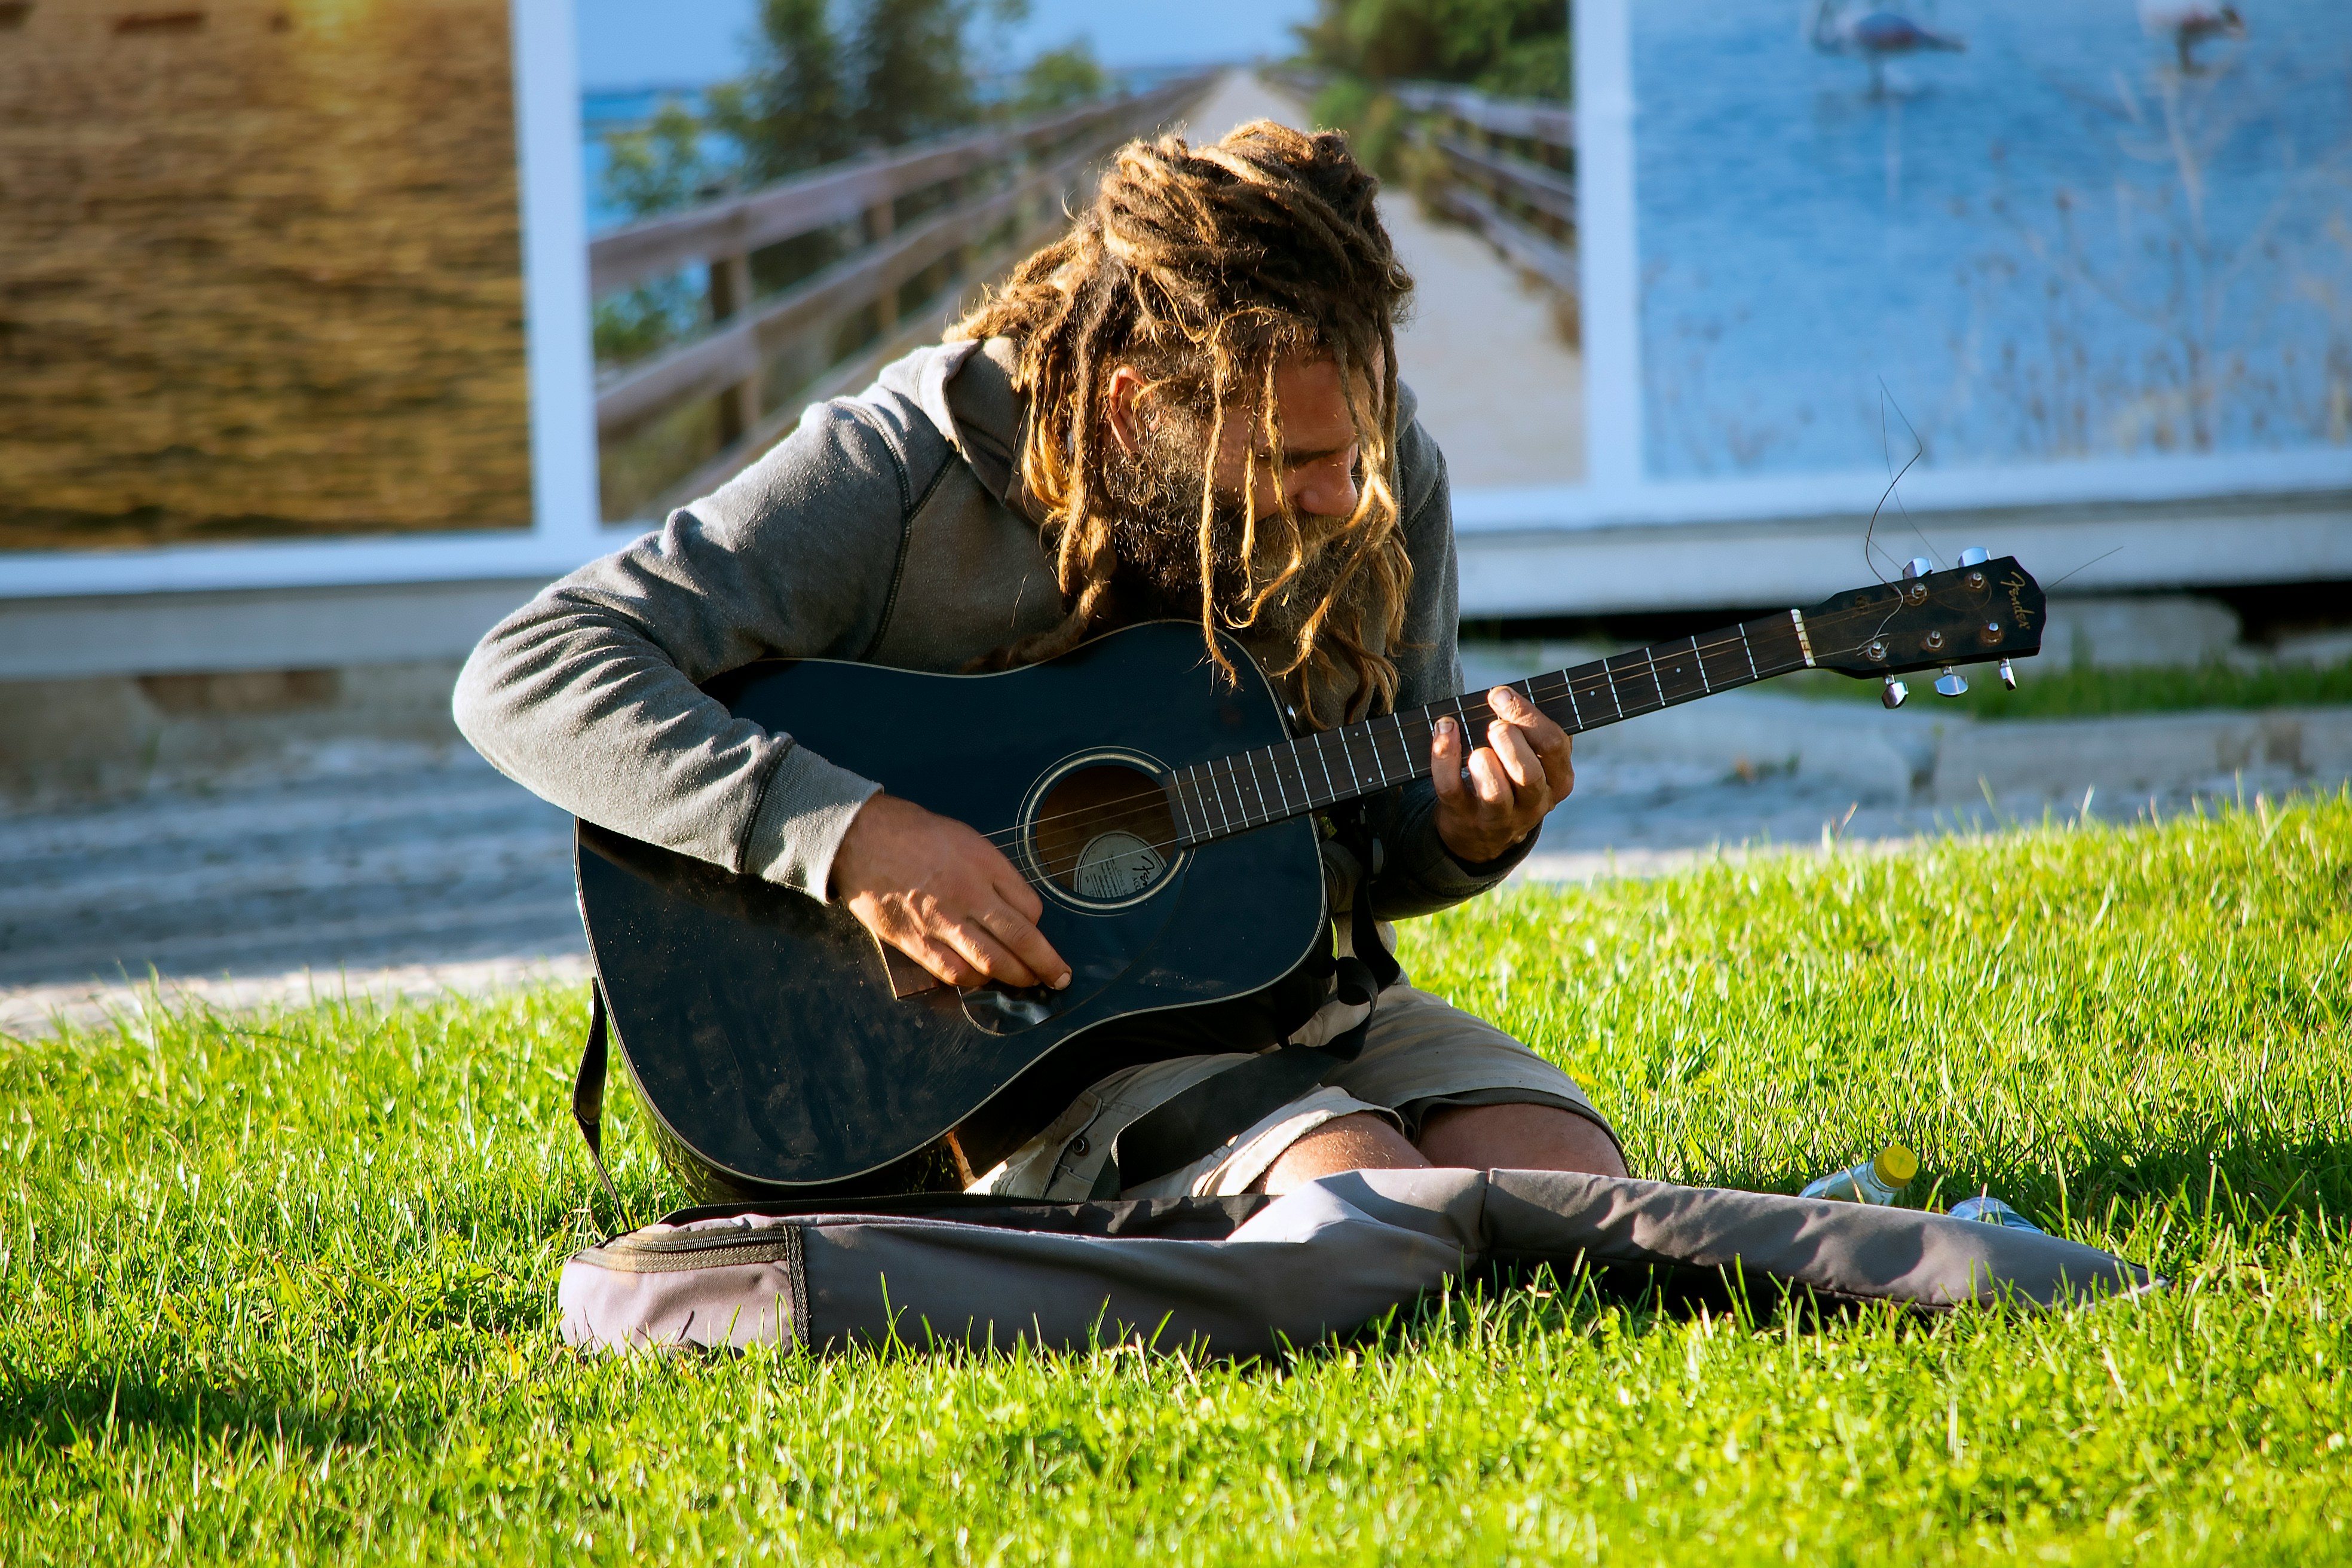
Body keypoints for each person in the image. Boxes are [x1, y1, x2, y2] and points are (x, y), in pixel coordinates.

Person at [455, 120, 1627, 1200]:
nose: (1343, 493)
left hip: (1295, 998)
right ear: (1131, 411)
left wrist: (1468, 834)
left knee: (1573, 1192)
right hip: (996, 1059)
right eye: (1293, 458)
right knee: (1370, 1201)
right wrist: (846, 835)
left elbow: (1377, 846)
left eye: (1356, 442)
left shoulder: (1375, 471)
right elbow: (531, 666)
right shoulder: (899, 466)